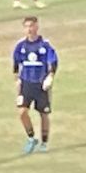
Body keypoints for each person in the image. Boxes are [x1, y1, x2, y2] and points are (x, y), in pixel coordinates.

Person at [13, 16, 58, 154]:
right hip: (26, 83)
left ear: (36, 27)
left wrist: (50, 76)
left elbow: (53, 61)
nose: (29, 29)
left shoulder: (44, 45)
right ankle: (31, 138)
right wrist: (17, 81)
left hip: (40, 84)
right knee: (22, 112)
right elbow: (16, 65)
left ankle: (44, 142)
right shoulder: (20, 46)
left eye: (31, 26)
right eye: (26, 26)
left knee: (44, 114)